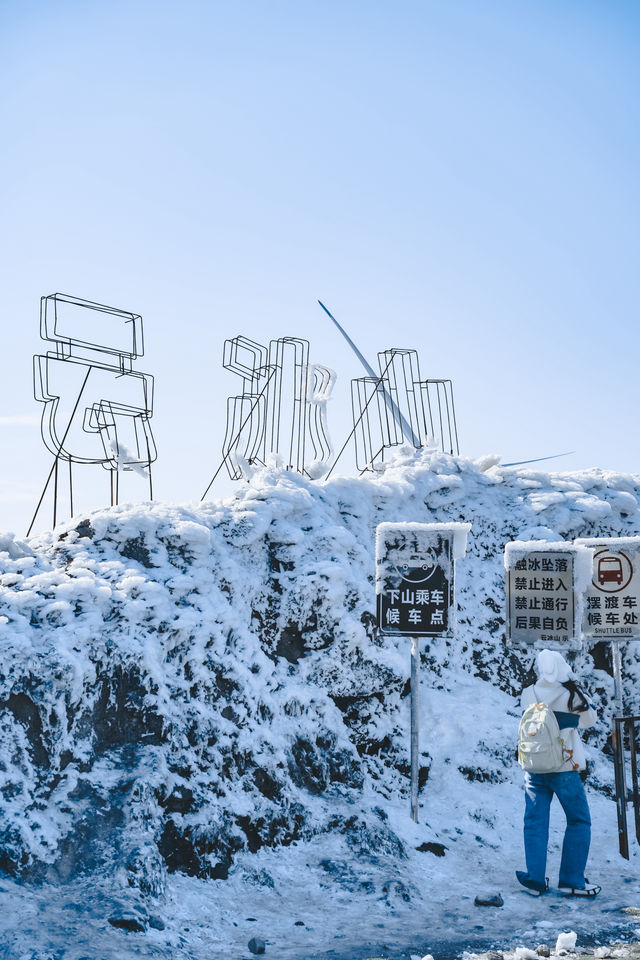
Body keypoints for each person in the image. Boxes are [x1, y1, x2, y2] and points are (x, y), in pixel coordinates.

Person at [516, 649, 601, 897]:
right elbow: (590, 720)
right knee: (578, 820)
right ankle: (571, 880)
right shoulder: (570, 695)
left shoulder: (528, 693)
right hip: (564, 767)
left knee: (535, 822)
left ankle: (535, 880)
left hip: (534, 766)